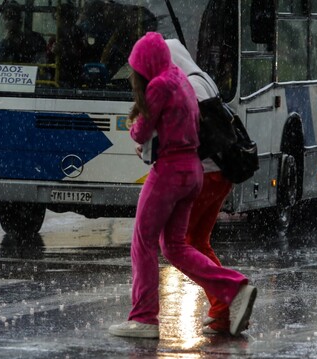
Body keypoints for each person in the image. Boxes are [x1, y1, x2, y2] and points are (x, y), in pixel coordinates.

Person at [109, 32, 257, 339]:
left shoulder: (161, 84)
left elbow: (141, 133)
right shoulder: (184, 79)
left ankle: (144, 317)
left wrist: (136, 125)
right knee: (176, 246)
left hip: (171, 171)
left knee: (143, 241)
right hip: (194, 171)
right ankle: (232, 289)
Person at [165, 39, 235, 335]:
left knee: (174, 244)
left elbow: (189, 134)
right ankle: (222, 309)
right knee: (198, 241)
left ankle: (232, 290)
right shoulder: (202, 78)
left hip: (206, 173)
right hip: (223, 173)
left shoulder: (187, 87)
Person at [46, 3, 86, 87]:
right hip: (54, 84)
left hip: (75, 85)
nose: (57, 23)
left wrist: (64, 53)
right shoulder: (54, 39)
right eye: (56, 20)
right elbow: (47, 66)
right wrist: (52, 54)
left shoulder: (79, 37)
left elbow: (81, 63)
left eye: (59, 19)